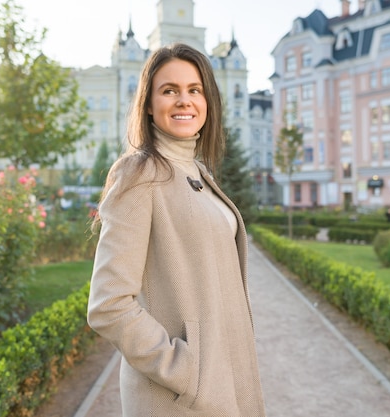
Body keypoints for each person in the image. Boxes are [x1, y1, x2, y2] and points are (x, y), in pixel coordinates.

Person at [87, 43, 267, 416]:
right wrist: (187, 371)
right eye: (170, 90)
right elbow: (109, 305)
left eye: (194, 90)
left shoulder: (198, 172)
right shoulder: (139, 173)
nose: (184, 100)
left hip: (224, 381)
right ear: (149, 104)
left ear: (207, 102)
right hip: (178, 399)